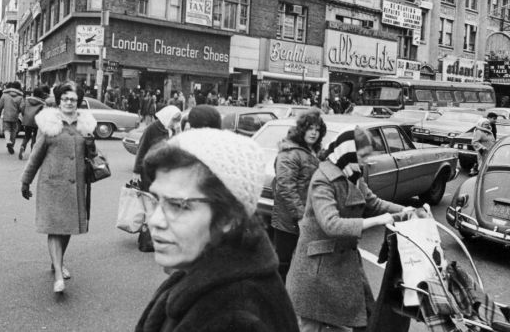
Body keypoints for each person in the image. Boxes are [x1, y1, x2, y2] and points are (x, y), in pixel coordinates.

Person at [135, 128, 300, 332]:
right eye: (155, 200)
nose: (155, 220)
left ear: (229, 217)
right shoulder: (205, 278)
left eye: (177, 205)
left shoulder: (235, 317)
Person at [286, 127, 411, 332]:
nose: (365, 161)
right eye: (362, 155)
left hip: (342, 263)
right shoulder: (322, 179)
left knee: (367, 315)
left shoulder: (353, 175)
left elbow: (374, 203)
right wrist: (379, 221)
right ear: (348, 151)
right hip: (316, 269)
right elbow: (331, 224)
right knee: (310, 324)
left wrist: (406, 210)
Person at [20, 81, 97, 293]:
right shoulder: (49, 124)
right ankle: (57, 274)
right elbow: (36, 155)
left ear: (79, 102)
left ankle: (58, 261)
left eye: (73, 99)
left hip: (76, 185)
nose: (69, 102)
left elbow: (92, 155)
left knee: (67, 228)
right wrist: (25, 181)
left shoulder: (86, 125)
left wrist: (91, 145)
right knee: (55, 228)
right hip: (52, 183)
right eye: (65, 99)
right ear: (59, 100)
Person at [272, 110, 327, 282]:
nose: (313, 133)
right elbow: (286, 188)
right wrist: (301, 217)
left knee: (302, 263)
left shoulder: (312, 152)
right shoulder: (290, 153)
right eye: (310, 128)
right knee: (283, 263)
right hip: (289, 221)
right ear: (301, 130)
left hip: (307, 216)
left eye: (317, 130)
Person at [133, 105, 182, 252]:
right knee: (151, 206)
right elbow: (141, 149)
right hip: (149, 172)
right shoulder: (152, 129)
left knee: (161, 206)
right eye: (174, 119)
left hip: (165, 174)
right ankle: (146, 241)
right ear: (167, 116)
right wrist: (136, 171)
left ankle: (153, 238)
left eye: (178, 120)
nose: (176, 122)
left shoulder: (171, 130)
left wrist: (178, 133)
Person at [19, 85, 49, 159]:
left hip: (27, 121)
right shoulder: (42, 103)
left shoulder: (27, 100)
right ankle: (32, 151)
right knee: (35, 136)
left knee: (26, 135)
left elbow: (22, 108)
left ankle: (23, 146)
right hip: (37, 122)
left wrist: (24, 115)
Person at [0, 81, 24, 154]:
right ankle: (12, 144)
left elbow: (0, 106)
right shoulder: (20, 97)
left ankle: (8, 141)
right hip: (15, 116)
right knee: (14, 130)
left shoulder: (4, 95)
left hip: (6, 115)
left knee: (6, 129)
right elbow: (22, 108)